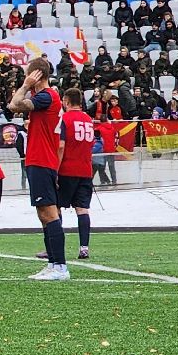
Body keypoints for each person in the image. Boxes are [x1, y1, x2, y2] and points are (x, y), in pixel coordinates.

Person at [8, 57, 69, 281]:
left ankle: (60, 267)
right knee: (44, 214)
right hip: (40, 159)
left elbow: (13, 104)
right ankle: (53, 263)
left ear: (37, 75)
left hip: (42, 159)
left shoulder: (46, 96)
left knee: (49, 213)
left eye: (28, 73)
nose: (26, 77)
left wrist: (25, 86)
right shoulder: (45, 97)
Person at [53, 87, 97, 261]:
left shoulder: (64, 119)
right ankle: (84, 248)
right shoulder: (88, 120)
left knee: (55, 208)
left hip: (67, 170)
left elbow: (61, 145)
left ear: (66, 101)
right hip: (86, 170)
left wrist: (55, 170)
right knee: (82, 209)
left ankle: (55, 248)